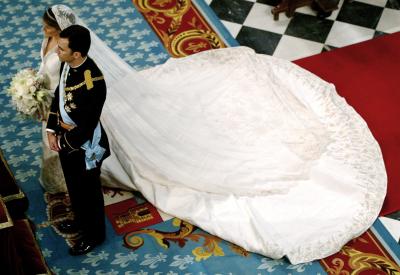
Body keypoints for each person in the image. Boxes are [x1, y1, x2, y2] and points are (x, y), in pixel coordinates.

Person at [46, 6, 386, 264]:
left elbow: (86, 108)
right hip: (66, 128)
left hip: (81, 136)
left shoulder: (89, 76)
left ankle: (91, 228)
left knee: (105, 171)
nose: (51, 43)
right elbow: (59, 92)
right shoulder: (61, 58)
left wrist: (66, 134)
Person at [46, 24, 110, 256]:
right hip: (66, 139)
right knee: (74, 187)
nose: (57, 52)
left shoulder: (93, 81)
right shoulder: (68, 64)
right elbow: (59, 96)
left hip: (84, 146)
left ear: (77, 54)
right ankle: (81, 221)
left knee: (89, 193)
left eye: (61, 49)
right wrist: (52, 129)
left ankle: (94, 235)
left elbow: (88, 124)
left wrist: (65, 144)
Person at [38, 5, 75, 194]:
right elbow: (44, 66)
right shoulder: (49, 37)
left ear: (60, 27)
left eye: (47, 26)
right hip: (45, 97)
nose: (43, 29)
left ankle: (65, 184)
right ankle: (53, 179)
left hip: (59, 103)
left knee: (58, 141)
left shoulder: (67, 49)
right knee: (48, 139)